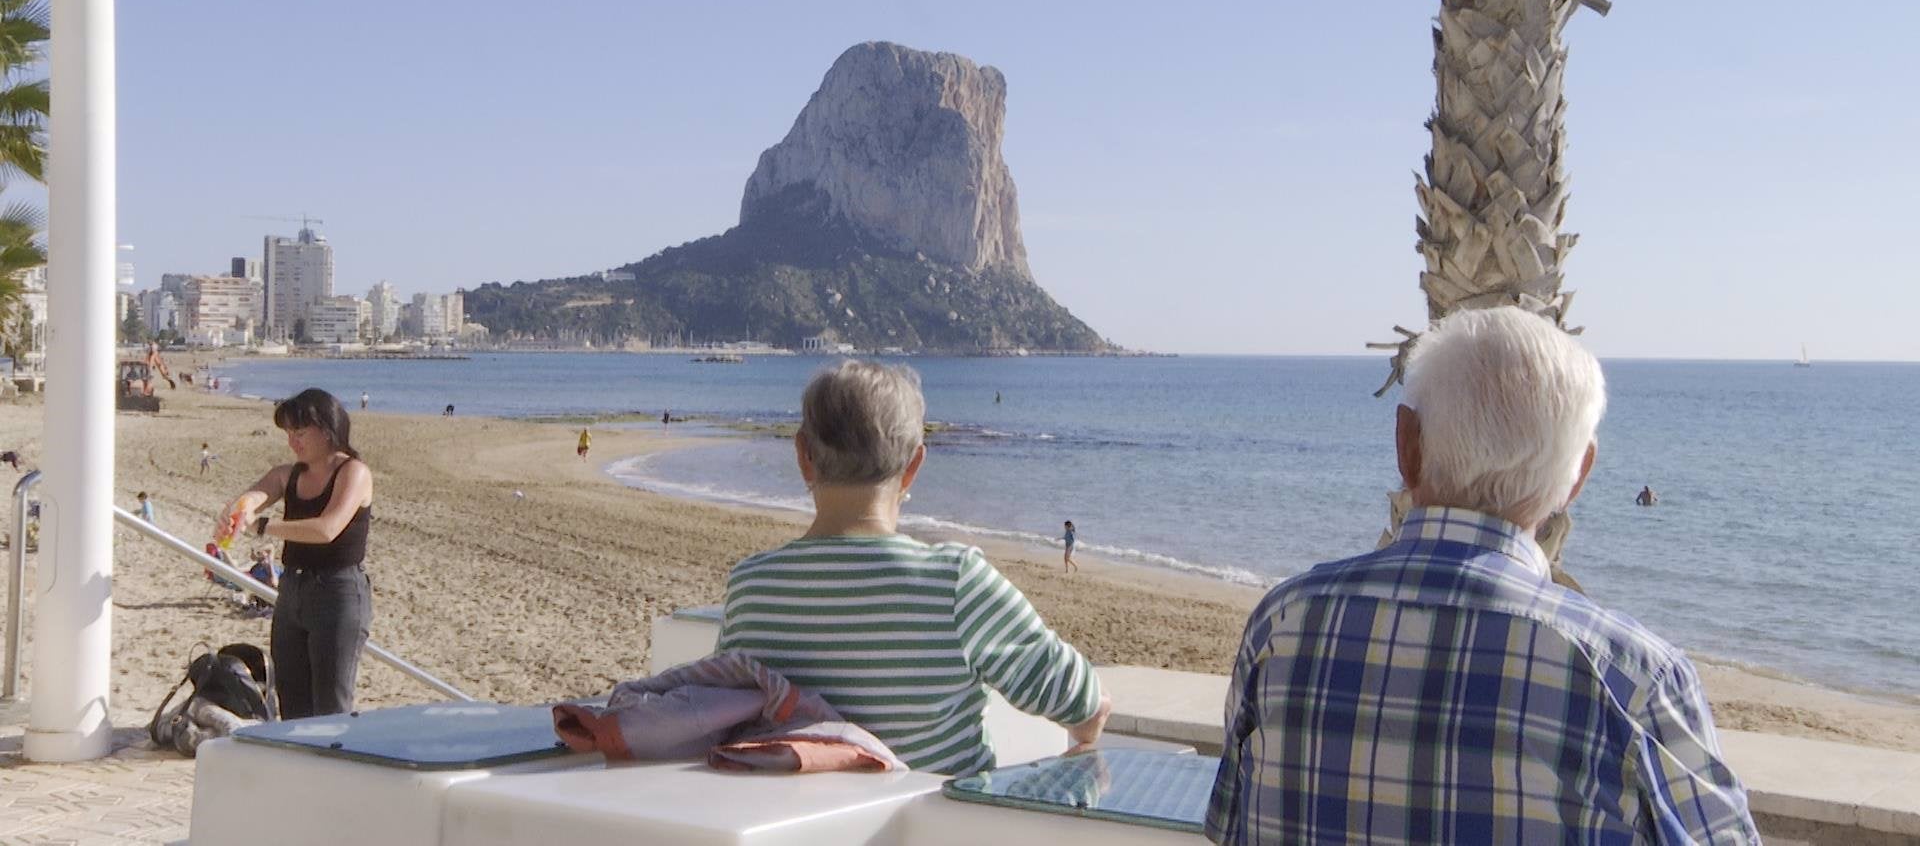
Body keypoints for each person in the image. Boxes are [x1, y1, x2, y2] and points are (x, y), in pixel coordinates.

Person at [1207, 307, 1755, 845]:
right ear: (1578, 475)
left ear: (1407, 443)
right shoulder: (1634, 680)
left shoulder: (1283, 624)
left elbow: (1230, 825)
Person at [716, 360, 1109, 776]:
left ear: (803, 456)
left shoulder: (751, 586)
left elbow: (725, 712)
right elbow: (1086, 709)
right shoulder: (955, 581)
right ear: (914, 466)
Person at [216, 388, 374, 719]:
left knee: (331, 705)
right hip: (292, 591)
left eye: (300, 433)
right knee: (292, 699)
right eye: (288, 433)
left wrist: (262, 526)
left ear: (328, 430)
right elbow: (256, 495)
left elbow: (327, 529)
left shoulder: (353, 472)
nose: (293, 442)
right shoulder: (288, 474)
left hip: (338, 591)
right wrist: (237, 511)